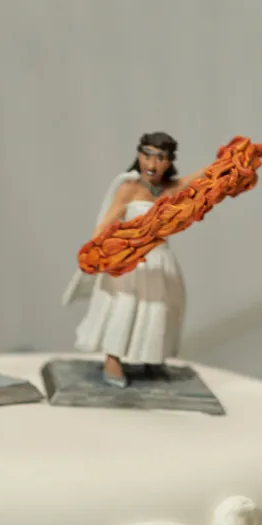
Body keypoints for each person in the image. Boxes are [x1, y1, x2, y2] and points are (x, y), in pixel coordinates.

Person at [66, 132, 188, 386]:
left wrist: (228, 164)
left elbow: (202, 180)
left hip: (160, 261)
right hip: (130, 261)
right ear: (139, 155)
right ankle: (113, 361)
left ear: (169, 161)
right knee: (124, 308)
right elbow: (107, 222)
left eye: (160, 158)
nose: (151, 164)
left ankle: (153, 357)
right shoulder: (129, 188)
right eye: (147, 156)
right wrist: (99, 250)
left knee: (158, 311)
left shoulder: (171, 189)